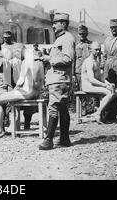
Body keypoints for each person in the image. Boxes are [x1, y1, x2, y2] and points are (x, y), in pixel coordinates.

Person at [39, 12, 75, 150]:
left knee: (53, 107)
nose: (53, 26)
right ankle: (64, 138)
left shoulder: (66, 39)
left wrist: (49, 59)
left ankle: (48, 140)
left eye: (56, 23)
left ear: (64, 24)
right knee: (63, 108)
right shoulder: (61, 39)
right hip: (59, 78)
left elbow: (67, 59)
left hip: (60, 79)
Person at [0, 49, 45, 138]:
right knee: (10, 98)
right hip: (36, 92)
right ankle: (14, 126)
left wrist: (12, 93)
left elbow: (20, 82)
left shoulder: (26, 61)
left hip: (26, 92)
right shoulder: (40, 62)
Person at [81, 42, 116, 124]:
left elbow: (101, 77)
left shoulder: (96, 61)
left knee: (114, 91)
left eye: (99, 49)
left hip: (93, 85)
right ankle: (98, 113)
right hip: (87, 86)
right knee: (109, 93)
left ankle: (98, 112)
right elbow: (92, 79)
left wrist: (108, 84)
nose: (98, 51)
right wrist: (105, 86)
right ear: (90, 50)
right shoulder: (89, 62)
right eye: (96, 50)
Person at [74, 25, 95, 116]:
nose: (82, 35)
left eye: (84, 33)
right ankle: (82, 109)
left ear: (87, 33)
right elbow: (73, 59)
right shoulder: (76, 45)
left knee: (91, 88)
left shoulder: (91, 45)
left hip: (89, 70)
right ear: (78, 34)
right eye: (80, 34)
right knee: (81, 90)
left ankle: (91, 108)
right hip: (79, 70)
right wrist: (72, 73)